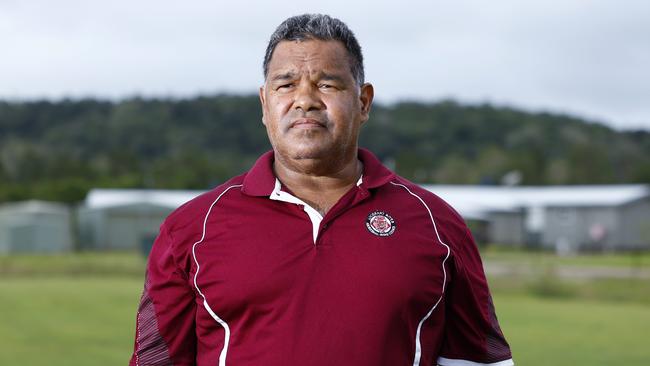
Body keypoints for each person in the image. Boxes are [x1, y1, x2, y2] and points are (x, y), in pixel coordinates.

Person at [130, 14, 514, 366]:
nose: (305, 100)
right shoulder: (191, 229)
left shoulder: (438, 224)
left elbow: (478, 361)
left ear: (363, 102)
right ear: (265, 103)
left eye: (327, 83)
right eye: (286, 84)